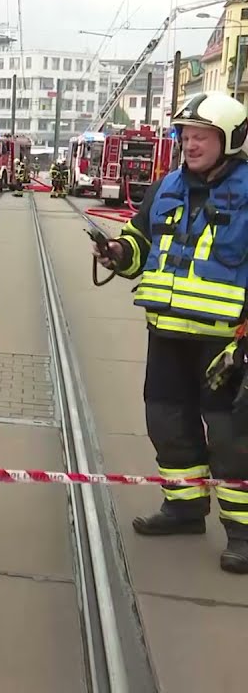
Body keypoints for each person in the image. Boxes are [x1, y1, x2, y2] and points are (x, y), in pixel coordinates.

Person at [91, 91, 248, 574]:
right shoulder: (166, 187)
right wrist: (118, 253)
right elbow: (139, 242)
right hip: (167, 334)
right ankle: (184, 508)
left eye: (202, 136)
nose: (190, 144)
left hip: (228, 341)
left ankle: (242, 533)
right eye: (185, 135)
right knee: (167, 424)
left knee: (231, 437)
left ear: (231, 140)